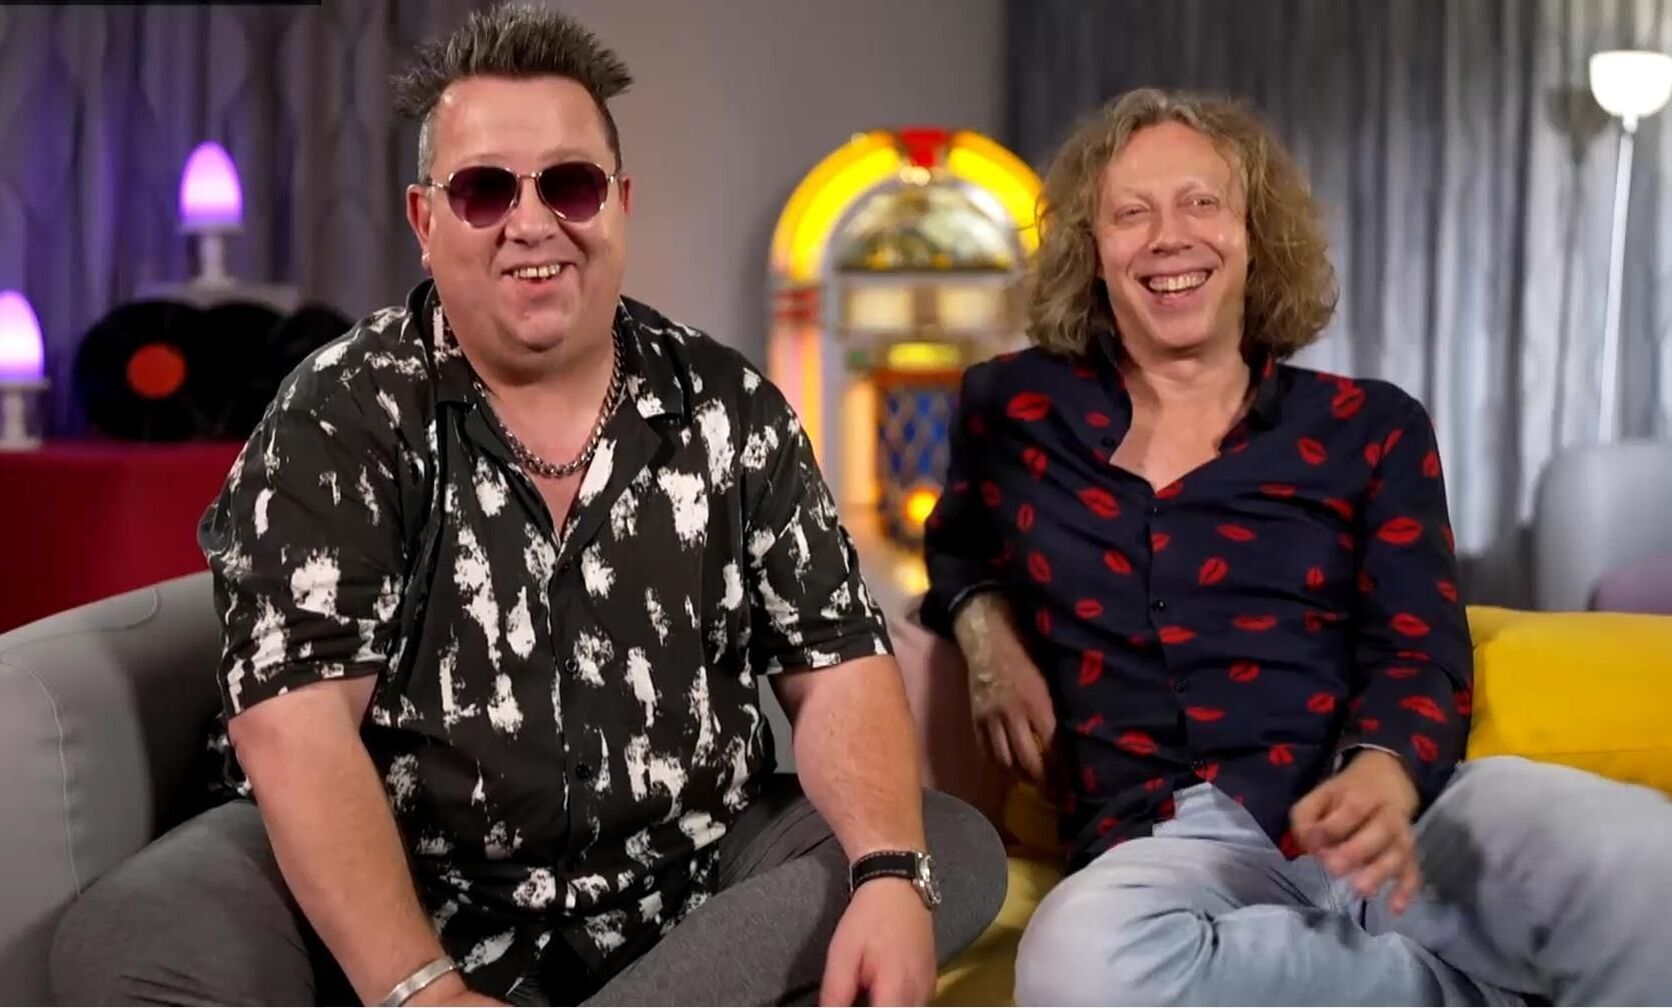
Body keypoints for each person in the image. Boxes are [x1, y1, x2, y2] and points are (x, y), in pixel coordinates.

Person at [49, 5, 1004, 1006]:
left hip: (681, 888)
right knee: (134, 937)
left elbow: (837, 663)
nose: (532, 222)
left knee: (937, 850)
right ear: (425, 221)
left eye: (570, 184)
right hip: (392, 892)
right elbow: (294, 729)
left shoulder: (730, 407)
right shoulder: (338, 415)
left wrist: (887, 872)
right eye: (485, 190)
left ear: (619, 204)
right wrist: (422, 986)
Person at [920, 86, 1672, 1006]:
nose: (1170, 236)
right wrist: (985, 635)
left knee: (1647, 852)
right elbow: (956, 546)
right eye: (1132, 213)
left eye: (1203, 202)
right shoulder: (1013, 412)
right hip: (1164, 844)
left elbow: (1420, 643)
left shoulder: (1371, 427)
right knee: (1076, 967)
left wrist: (1384, 768)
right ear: (1093, 252)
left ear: (1257, 236)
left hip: (1396, 807)